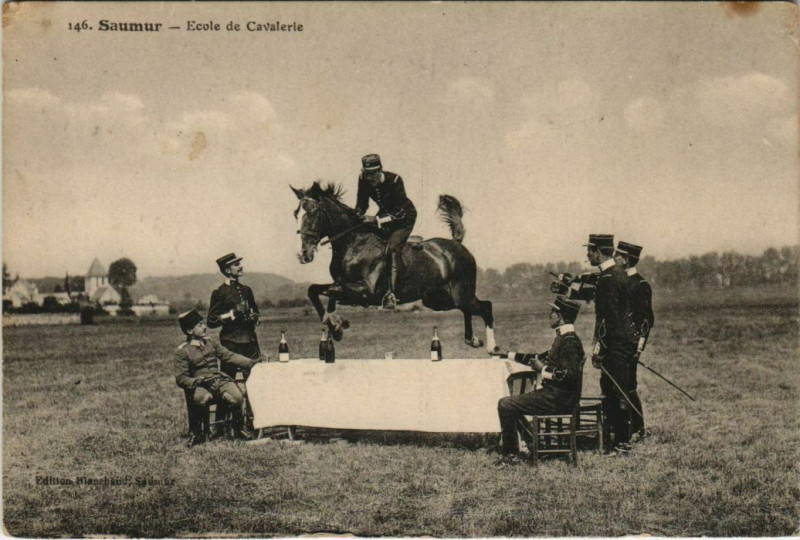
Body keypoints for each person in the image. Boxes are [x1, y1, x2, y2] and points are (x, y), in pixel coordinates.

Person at [495, 296, 585, 465]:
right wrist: (507, 354)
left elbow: (568, 376)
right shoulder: (565, 338)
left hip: (559, 399)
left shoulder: (569, 342)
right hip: (556, 396)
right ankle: (534, 445)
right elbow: (538, 358)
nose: (549, 315)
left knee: (506, 404)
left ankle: (511, 455)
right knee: (511, 405)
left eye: (552, 312)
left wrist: (542, 370)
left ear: (560, 316)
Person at [585, 234, 639, 456]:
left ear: (598, 252)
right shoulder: (617, 273)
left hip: (615, 345)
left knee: (615, 392)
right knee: (615, 390)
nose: (587, 255)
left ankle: (622, 443)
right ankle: (616, 439)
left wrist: (600, 350)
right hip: (622, 343)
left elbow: (608, 319)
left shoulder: (608, 278)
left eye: (589, 251)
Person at [174, 310, 260, 445]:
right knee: (201, 398)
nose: (204, 327)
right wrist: (196, 381)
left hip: (219, 381)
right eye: (199, 325)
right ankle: (197, 433)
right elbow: (180, 378)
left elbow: (229, 356)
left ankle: (238, 429)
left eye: (203, 324)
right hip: (200, 385)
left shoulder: (211, 342)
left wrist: (251, 363)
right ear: (190, 330)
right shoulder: (182, 351)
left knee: (237, 397)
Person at [355, 154, 417, 309]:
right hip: (384, 216)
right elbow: (362, 203)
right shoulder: (363, 179)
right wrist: (357, 215)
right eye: (367, 174)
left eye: (373, 174)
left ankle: (392, 294)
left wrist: (375, 220)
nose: (370, 178)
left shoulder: (395, 180)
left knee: (392, 249)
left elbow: (400, 212)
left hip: (404, 218)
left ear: (380, 170)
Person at [614, 240, 654, 442]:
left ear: (627, 260)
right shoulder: (616, 281)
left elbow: (646, 320)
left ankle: (638, 428)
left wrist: (638, 349)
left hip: (630, 346)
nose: (614, 258)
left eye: (617, 256)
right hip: (616, 345)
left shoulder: (640, 285)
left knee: (628, 387)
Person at [207, 253, 261, 378]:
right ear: (227, 270)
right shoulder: (219, 292)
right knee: (228, 378)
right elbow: (211, 320)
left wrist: (254, 317)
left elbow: (256, 313)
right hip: (231, 343)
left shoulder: (247, 290)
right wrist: (233, 313)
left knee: (255, 376)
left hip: (250, 341)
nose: (241, 267)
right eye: (236, 265)